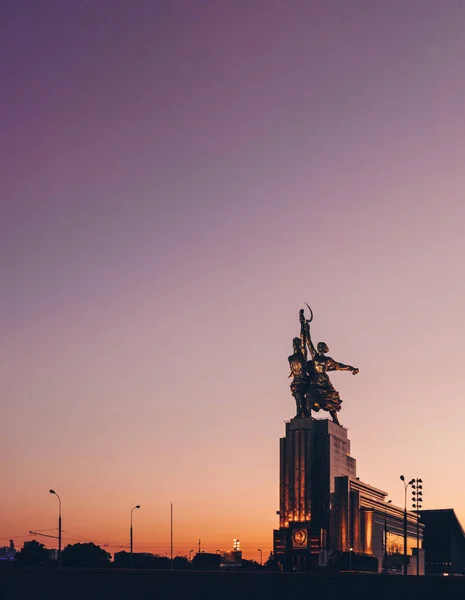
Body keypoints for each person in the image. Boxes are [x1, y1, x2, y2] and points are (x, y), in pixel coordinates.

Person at [303, 321, 358, 425]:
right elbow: (308, 342)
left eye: (321, 346)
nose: (319, 347)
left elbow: (339, 366)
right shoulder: (314, 356)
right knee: (309, 396)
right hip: (315, 380)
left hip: (324, 381)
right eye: (318, 345)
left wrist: (351, 368)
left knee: (331, 399)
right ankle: (307, 415)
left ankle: (336, 420)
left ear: (324, 349)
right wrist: (307, 329)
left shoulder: (328, 359)